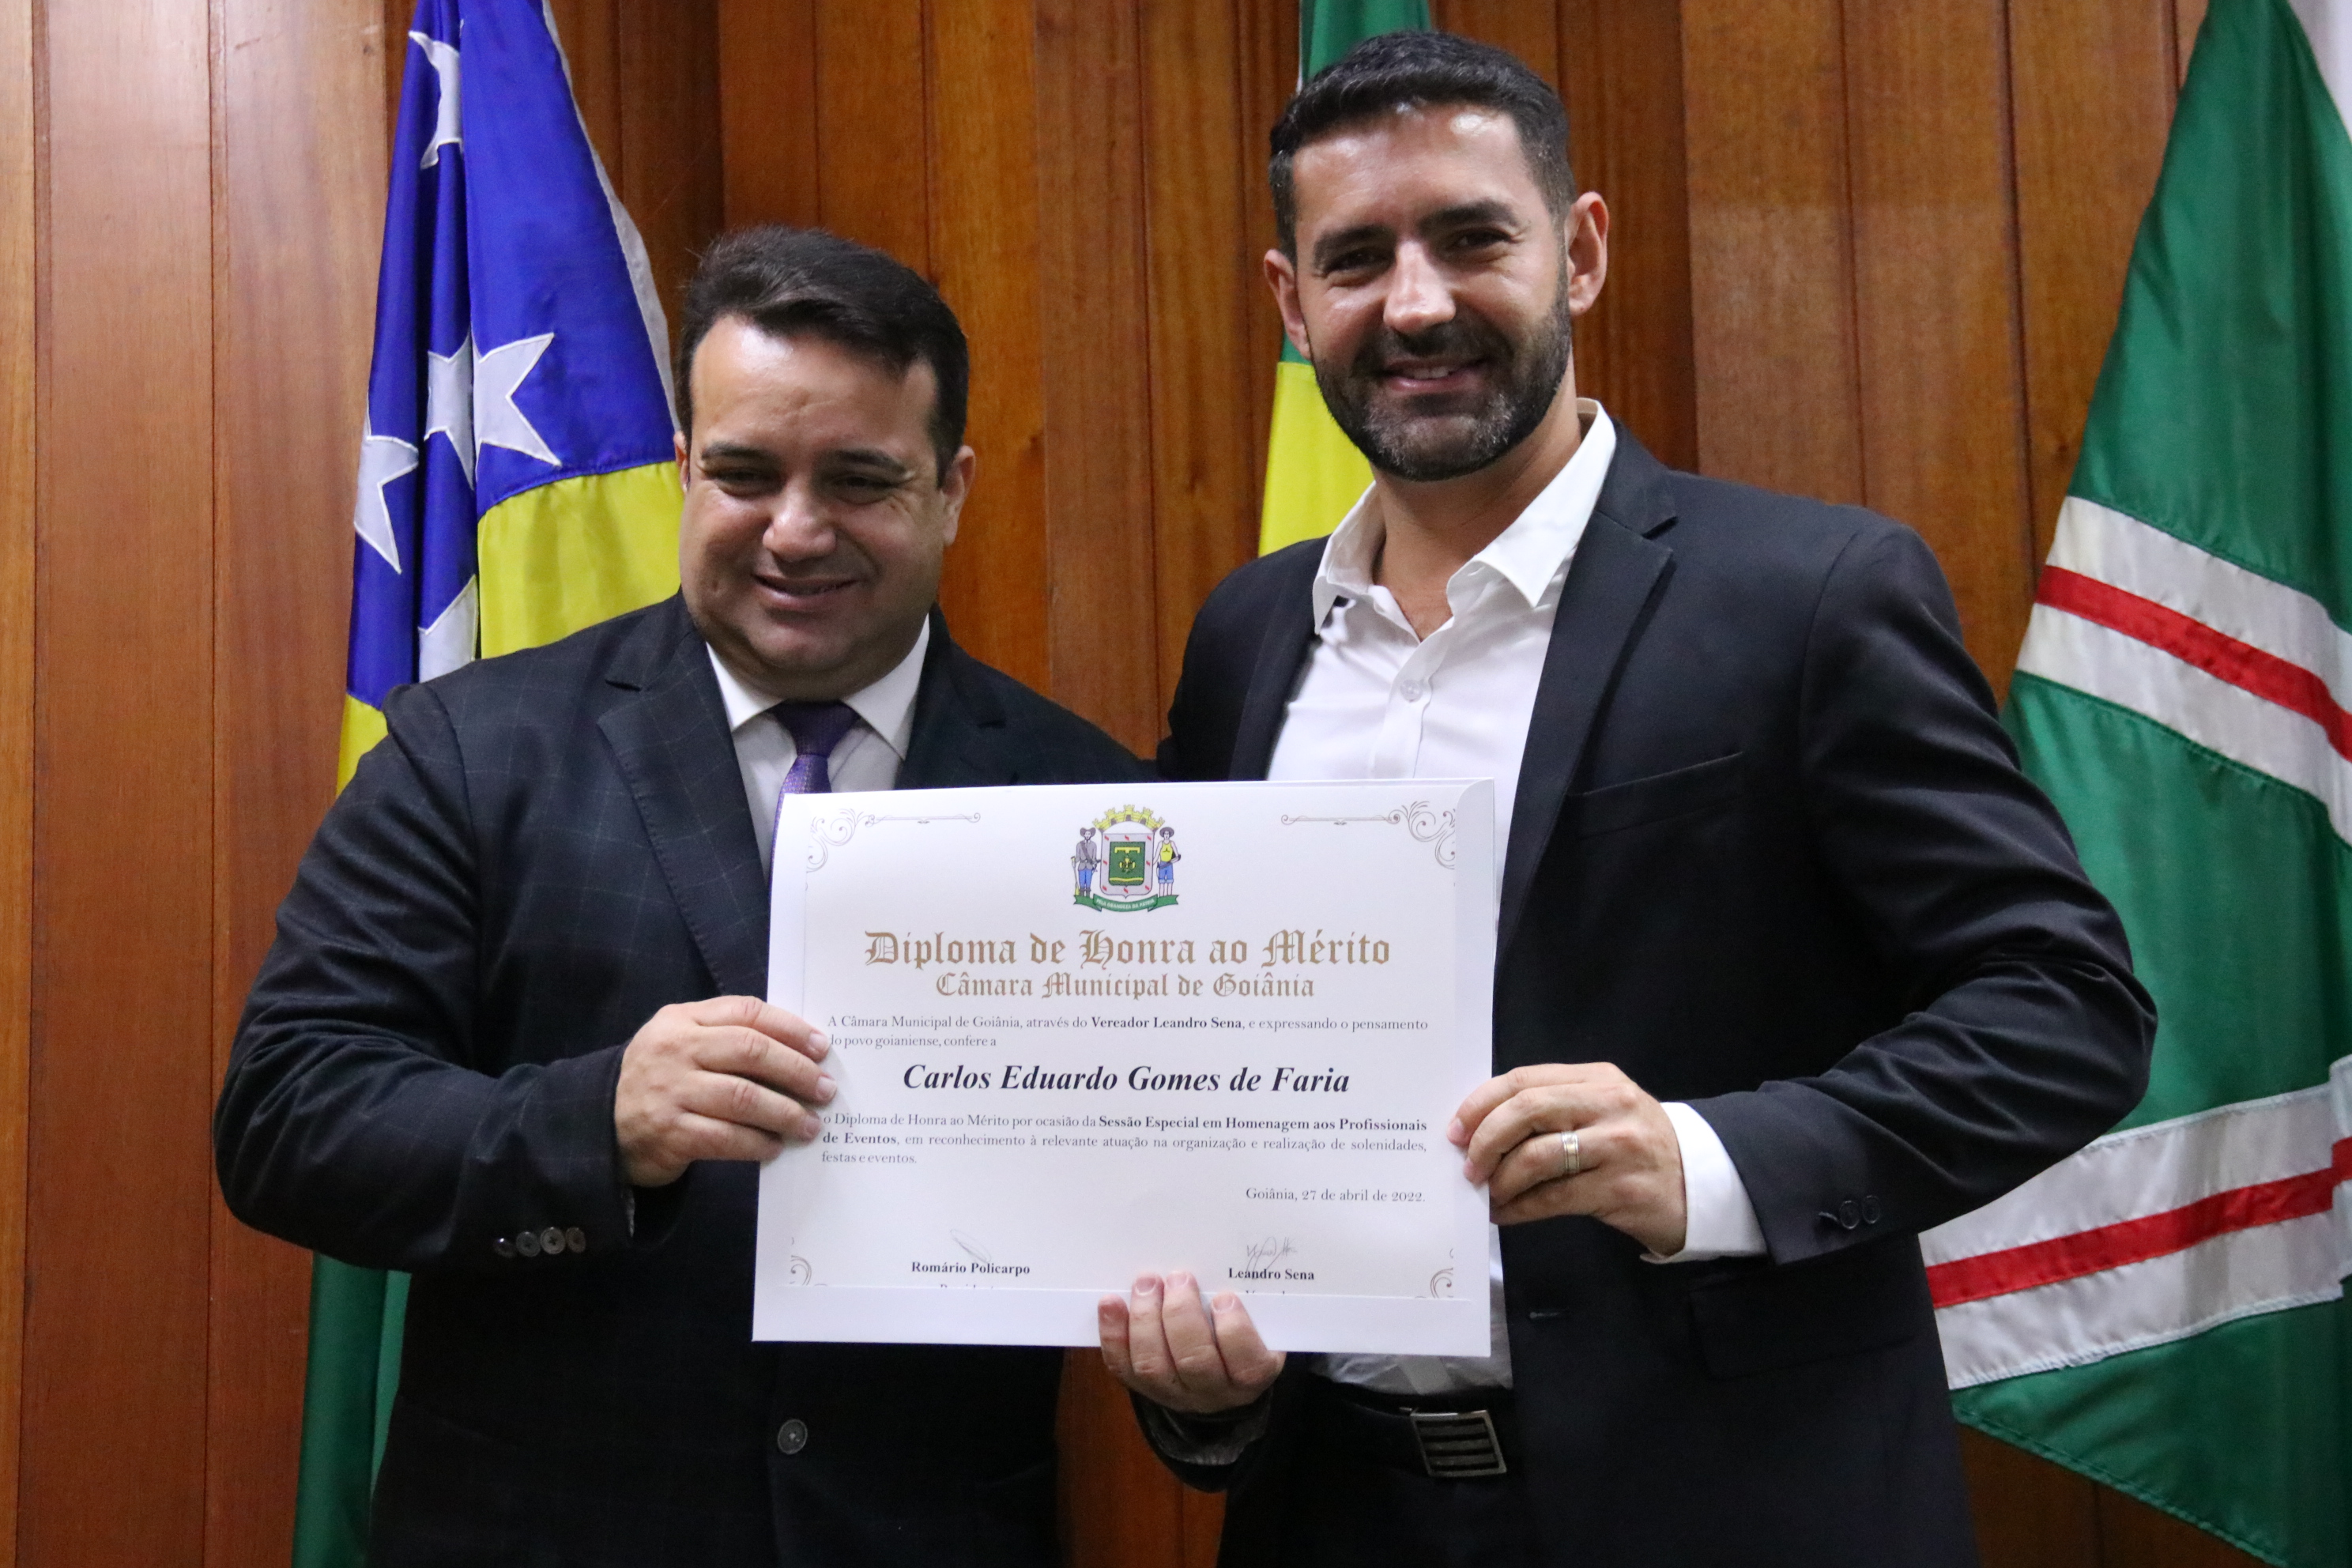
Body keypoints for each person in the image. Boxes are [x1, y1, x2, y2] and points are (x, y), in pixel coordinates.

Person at [1096, 33, 2153, 1568]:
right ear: (1290, 301)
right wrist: (1207, 1388)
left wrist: (1706, 1161)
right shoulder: (1246, 636)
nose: (1415, 304)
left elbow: (2066, 1006)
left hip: (1737, 1509)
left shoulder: (1810, 595)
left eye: (1472, 239)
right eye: (1356, 259)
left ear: (1580, 252)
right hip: (1334, 1515)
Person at [217, 226, 1145, 1566]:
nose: (796, 531)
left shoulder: (1093, 803)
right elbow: (288, 1116)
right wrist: (599, 1121)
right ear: (683, 472)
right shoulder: (472, 752)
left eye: (861, 480)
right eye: (746, 474)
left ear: (952, 491)